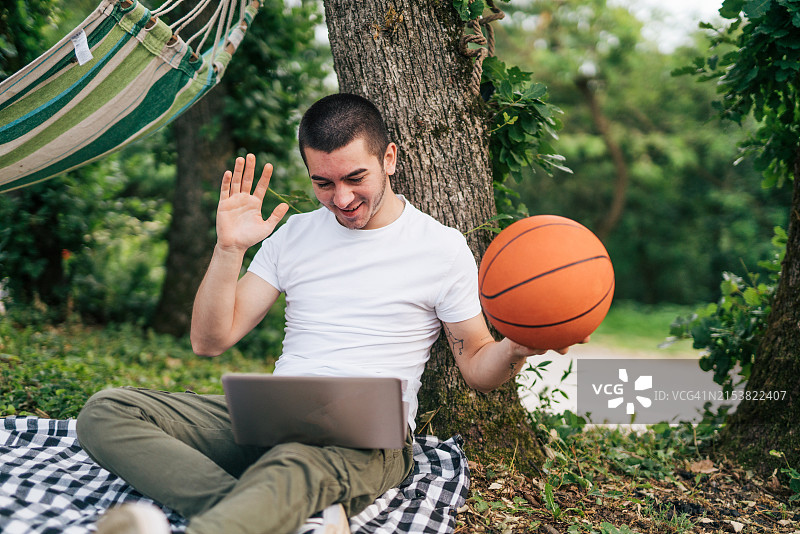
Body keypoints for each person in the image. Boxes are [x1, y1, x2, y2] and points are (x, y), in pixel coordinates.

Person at [76, 93, 579, 534]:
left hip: (366, 439)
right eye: (323, 183)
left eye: (355, 178)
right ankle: (278, 515)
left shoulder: (440, 248)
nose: (341, 199)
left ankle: (242, 514)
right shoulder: (293, 236)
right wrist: (228, 249)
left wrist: (513, 347)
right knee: (107, 411)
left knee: (296, 462)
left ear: (389, 158)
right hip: (274, 414)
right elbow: (210, 340)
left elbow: (476, 367)